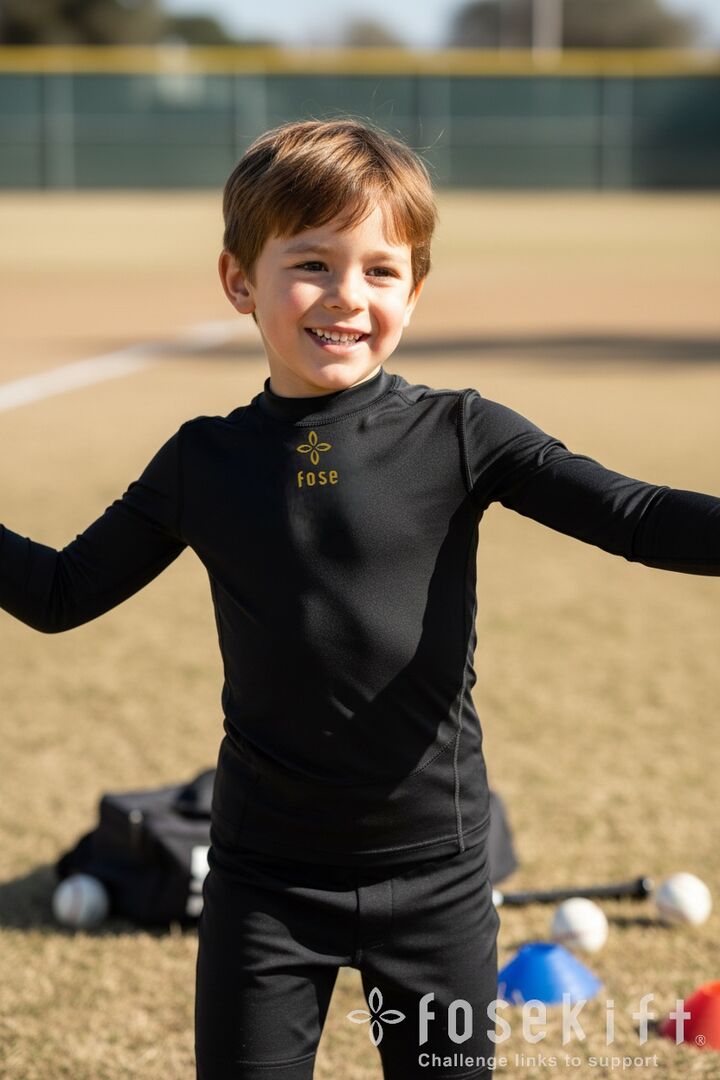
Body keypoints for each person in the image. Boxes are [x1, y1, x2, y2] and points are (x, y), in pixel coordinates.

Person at [1, 117, 719, 1080]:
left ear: (414, 291)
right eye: (312, 264)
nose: (348, 295)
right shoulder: (202, 462)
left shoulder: (461, 433)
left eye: (381, 270)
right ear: (238, 280)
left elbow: (637, 516)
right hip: (262, 881)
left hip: (437, 876)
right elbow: (59, 592)